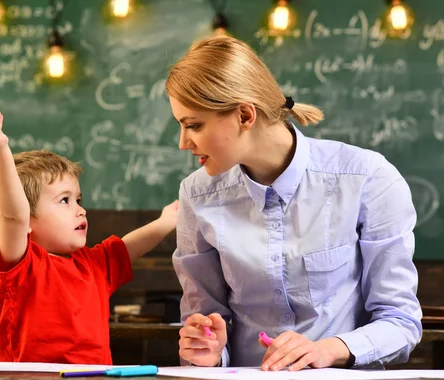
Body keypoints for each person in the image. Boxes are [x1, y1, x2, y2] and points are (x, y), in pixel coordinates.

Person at [167, 36, 421, 371]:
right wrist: (207, 351)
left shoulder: (367, 178)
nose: (183, 143)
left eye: (193, 125)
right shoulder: (196, 195)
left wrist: (329, 350)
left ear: (244, 115)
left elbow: (401, 321)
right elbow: (205, 325)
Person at [0, 106, 178, 364]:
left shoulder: (92, 265)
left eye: (78, 199)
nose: (81, 210)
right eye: (64, 201)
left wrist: (166, 220)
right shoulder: (23, 266)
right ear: (28, 221)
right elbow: (12, 216)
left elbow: (127, 248)